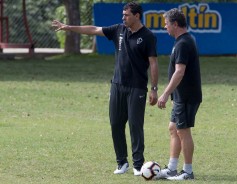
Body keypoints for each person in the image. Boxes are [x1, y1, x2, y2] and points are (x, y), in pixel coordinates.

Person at [52, 2, 158, 176]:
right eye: (123, 15)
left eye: (127, 15)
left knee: (135, 126)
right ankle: (122, 162)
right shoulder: (118, 30)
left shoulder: (148, 36)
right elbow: (93, 29)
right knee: (116, 124)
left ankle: (138, 165)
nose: (123, 18)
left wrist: (153, 89)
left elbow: (153, 63)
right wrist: (68, 27)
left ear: (137, 16)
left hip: (137, 88)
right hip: (117, 85)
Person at [156, 8, 202, 180]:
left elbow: (179, 72)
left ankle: (188, 171)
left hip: (187, 95)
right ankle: (172, 168)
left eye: (166, 24)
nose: (165, 27)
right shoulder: (183, 40)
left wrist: (165, 94)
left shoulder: (183, 43)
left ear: (175, 24)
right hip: (181, 96)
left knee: (183, 131)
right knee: (173, 128)